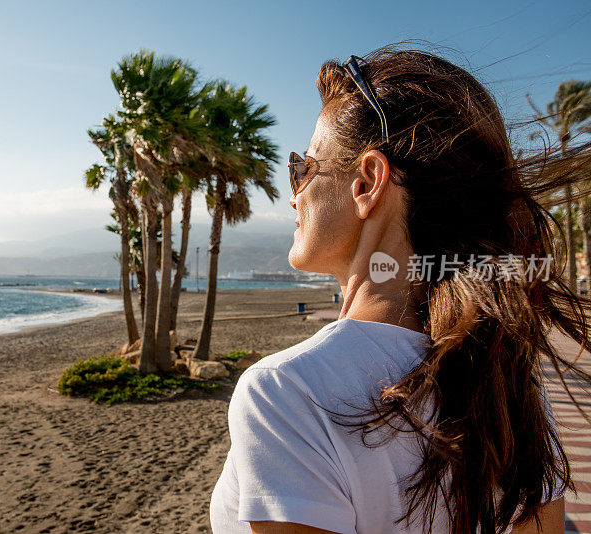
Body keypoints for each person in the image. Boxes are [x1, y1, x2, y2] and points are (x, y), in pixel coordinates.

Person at [209, 47, 591, 533]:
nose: (293, 194)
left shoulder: (289, 392)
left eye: (302, 168)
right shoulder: (508, 379)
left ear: (367, 181)